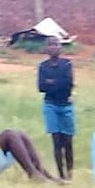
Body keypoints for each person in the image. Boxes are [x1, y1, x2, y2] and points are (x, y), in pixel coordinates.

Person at [38, 36, 76, 179]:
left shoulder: (67, 64)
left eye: (56, 44)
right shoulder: (43, 66)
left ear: (61, 47)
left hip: (66, 105)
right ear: (46, 48)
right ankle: (61, 174)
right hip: (50, 105)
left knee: (68, 141)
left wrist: (51, 82)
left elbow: (68, 83)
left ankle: (70, 174)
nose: (53, 47)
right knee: (56, 141)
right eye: (50, 45)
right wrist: (58, 83)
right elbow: (41, 87)